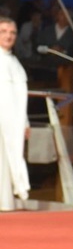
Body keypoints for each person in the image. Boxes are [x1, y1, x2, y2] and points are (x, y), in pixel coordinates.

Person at [0, 16, 31, 211]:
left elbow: (19, 98)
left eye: (12, 32)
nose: (8, 36)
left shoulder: (13, 60)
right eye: (3, 32)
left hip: (12, 121)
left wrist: (25, 122)